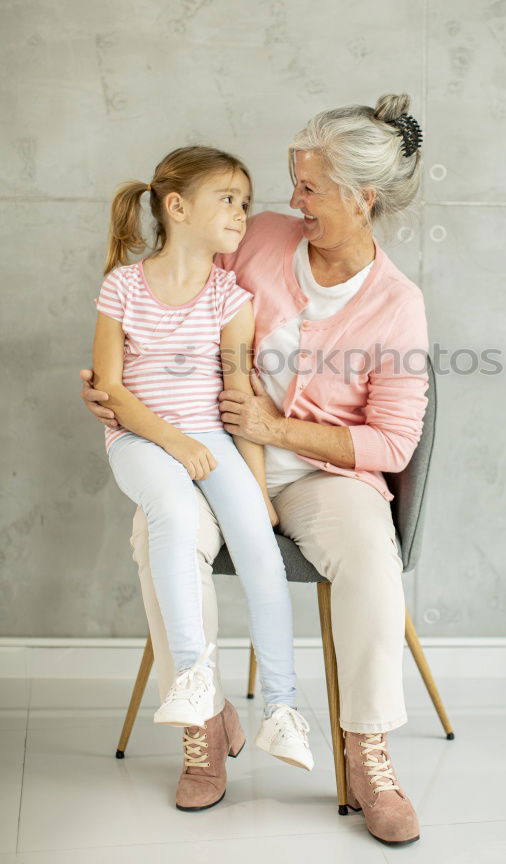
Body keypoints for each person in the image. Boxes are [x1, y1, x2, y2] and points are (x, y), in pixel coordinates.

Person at [81, 94, 429, 846]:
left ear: (361, 197)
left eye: (309, 188)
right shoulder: (261, 238)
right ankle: (203, 722)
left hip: (321, 475)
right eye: (292, 182)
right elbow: (173, 301)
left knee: (371, 552)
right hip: (216, 453)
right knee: (158, 530)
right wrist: (116, 382)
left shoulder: (398, 304)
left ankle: (366, 749)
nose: (289, 201)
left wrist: (276, 428)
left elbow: (393, 443)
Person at [89, 145, 314, 793]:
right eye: (228, 200)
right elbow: (111, 388)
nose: (242, 213)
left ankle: (280, 706)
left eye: (246, 203)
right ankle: (194, 682)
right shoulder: (123, 287)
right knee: (169, 510)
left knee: (260, 553)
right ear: (176, 206)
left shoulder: (229, 296)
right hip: (138, 440)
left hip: (213, 439)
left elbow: (237, 396)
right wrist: (174, 443)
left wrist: (256, 486)